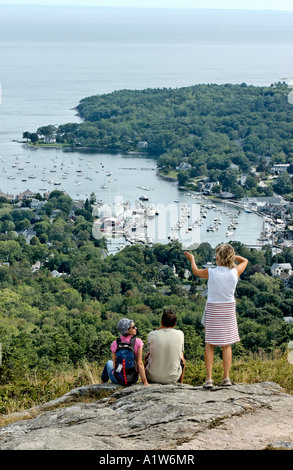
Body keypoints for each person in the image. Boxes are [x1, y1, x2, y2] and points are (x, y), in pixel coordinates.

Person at [184, 244, 248, 389]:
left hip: (213, 308)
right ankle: (226, 378)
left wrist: (192, 259)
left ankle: (209, 379)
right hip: (228, 308)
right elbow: (245, 261)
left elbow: (194, 271)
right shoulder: (235, 272)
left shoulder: (211, 272)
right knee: (226, 345)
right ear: (230, 257)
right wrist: (232, 256)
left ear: (218, 257)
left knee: (210, 344)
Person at [101, 318, 149, 386]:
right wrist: (145, 382)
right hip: (133, 379)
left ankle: (102, 383)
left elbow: (114, 365)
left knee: (109, 363)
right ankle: (102, 382)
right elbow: (140, 363)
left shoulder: (115, 343)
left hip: (118, 379)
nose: (136, 328)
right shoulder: (138, 342)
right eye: (133, 327)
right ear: (127, 330)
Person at [145, 309, 185, 384]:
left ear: (161, 322)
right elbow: (181, 358)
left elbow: (149, 354)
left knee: (147, 357)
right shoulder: (180, 334)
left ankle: (146, 382)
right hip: (173, 378)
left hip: (152, 377)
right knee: (182, 359)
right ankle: (180, 384)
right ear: (175, 324)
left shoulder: (151, 334)